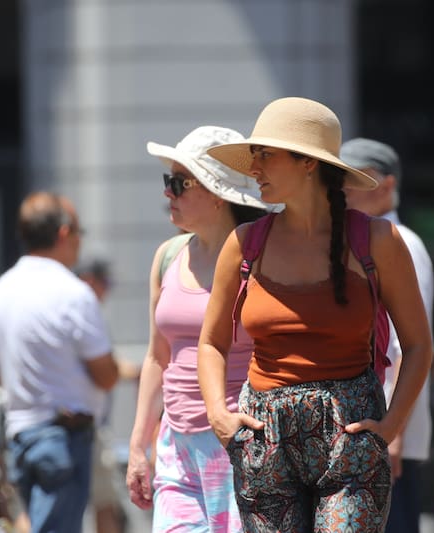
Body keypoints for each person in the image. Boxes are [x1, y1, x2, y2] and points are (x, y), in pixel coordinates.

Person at [196, 96, 433, 532]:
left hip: (352, 437)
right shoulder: (245, 243)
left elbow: (419, 345)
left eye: (265, 155)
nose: (254, 168)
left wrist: (391, 425)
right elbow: (211, 342)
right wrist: (220, 416)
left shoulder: (376, 240)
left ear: (307, 162)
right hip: (262, 439)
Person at [125, 125, 273, 532]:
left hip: (239, 442)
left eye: (178, 183)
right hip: (176, 445)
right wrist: (139, 444)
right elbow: (158, 355)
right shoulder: (168, 256)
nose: (167, 193)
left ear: (216, 191)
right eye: (167, 182)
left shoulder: (261, 260)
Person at [0, 191, 119, 533]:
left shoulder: (1, 290)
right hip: (64, 436)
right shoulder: (73, 293)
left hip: (20, 435)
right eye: (80, 232)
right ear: (64, 233)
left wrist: (27, 375)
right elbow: (107, 375)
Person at [339, 137, 434, 533]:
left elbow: (408, 346)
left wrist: (393, 432)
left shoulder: (402, 242)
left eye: (359, 178)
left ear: (389, 185)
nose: (345, 188)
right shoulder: (360, 241)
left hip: (389, 438)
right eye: (341, 178)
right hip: (373, 433)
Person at [74, 258, 139, 533]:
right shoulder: (81, 310)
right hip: (84, 426)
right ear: (90, 280)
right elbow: (103, 370)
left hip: (70, 426)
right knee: (106, 504)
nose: (108, 291)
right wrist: (135, 372)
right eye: (106, 283)